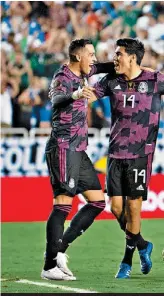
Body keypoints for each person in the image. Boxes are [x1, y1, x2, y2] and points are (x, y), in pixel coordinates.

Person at [85, 38, 164, 278]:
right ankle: (142, 244)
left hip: (141, 153)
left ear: (132, 57)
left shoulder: (154, 80)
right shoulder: (112, 81)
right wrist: (74, 95)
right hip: (116, 152)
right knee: (117, 207)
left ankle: (127, 262)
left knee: (133, 207)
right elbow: (89, 93)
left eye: (119, 54)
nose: (115, 58)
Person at [41, 39, 116, 281]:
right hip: (63, 148)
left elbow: (104, 67)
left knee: (96, 201)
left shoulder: (85, 69)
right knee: (62, 204)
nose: (94, 59)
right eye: (90, 54)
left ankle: (59, 249)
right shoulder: (63, 76)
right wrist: (75, 93)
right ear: (77, 57)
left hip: (79, 150)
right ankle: (49, 265)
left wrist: (126, 64)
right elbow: (57, 100)